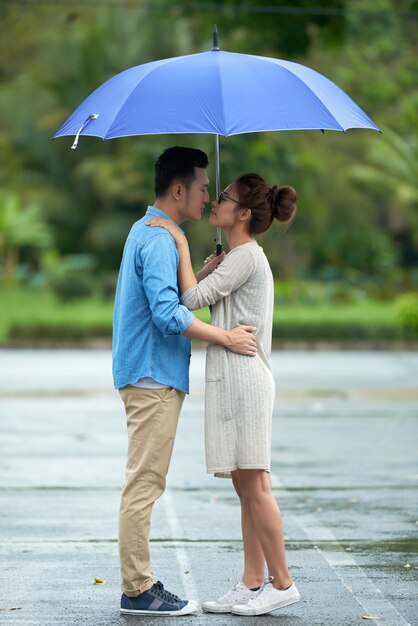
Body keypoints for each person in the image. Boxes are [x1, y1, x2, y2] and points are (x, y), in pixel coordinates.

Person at [146, 171, 300, 616]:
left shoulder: (245, 256)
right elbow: (199, 292)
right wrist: (209, 266)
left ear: (243, 213)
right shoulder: (237, 257)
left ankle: (282, 581)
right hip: (238, 379)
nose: (215, 201)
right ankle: (253, 581)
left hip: (245, 381)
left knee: (254, 484)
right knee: (244, 482)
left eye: (225, 198)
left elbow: (190, 299)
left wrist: (178, 242)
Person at [112, 147, 257, 617]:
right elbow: (168, 313)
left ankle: (138, 585)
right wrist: (226, 337)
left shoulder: (158, 232)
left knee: (145, 481)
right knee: (145, 484)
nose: (207, 198)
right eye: (201, 188)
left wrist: (198, 262)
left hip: (151, 372)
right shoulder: (157, 239)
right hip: (152, 375)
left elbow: (183, 294)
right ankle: (137, 589)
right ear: (179, 190)